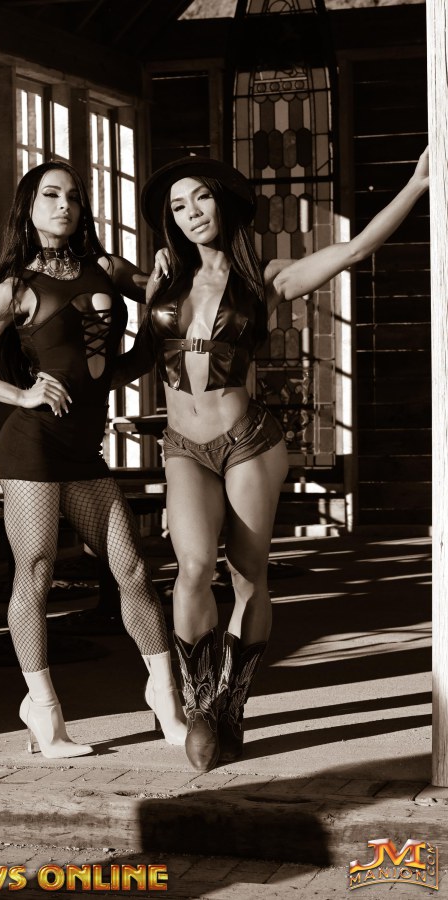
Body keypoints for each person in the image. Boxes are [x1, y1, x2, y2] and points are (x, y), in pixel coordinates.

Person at [113, 149, 430, 772]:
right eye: (177, 206)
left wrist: (417, 183)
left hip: (248, 442)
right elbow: (96, 278)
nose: (190, 212)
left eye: (201, 197)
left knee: (247, 575)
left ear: (224, 202)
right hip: (183, 445)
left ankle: (232, 703)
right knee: (192, 568)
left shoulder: (266, 278)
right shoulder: (161, 281)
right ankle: (201, 702)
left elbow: (356, 249)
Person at [0, 160, 186, 759]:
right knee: (35, 570)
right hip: (32, 445)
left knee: (132, 571)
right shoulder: (15, 289)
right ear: (28, 208)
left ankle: (166, 699)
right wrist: (22, 394)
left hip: (83, 448)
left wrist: (165, 275)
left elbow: (161, 302)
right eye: (51, 195)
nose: (65, 205)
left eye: (74, 197)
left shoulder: (108, 268)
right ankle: (43, 710)